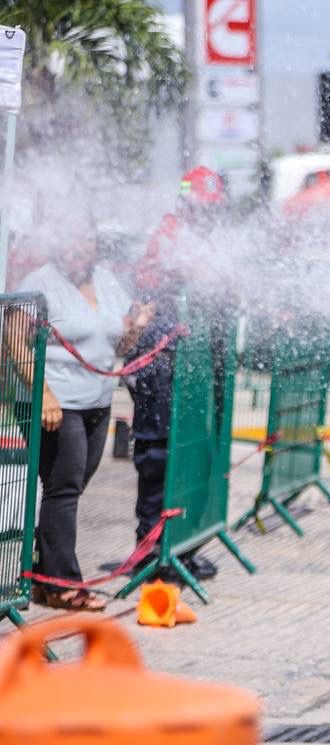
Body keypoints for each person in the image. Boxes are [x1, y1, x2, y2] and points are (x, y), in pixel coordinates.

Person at [14, 213, 151, 610]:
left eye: (89, 240)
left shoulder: (107, 280)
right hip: (57, 405)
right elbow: (13, 339)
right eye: (74, 240)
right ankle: (63, 585)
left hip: (97, 401)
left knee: (70, 490)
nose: (83, 248)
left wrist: (137, 326)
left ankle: (41, 574)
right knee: (65, 489)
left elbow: (119, 344)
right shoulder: (39, 283)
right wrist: (43, 395)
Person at [130, 166, 229, 581]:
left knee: (186, 457)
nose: (209, 218)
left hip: (184, 364)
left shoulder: (202, 237)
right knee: (160, 457)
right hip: (161, 364)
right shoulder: (169, 234)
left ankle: (180, 546)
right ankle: (154, 551)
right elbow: (164, 280)